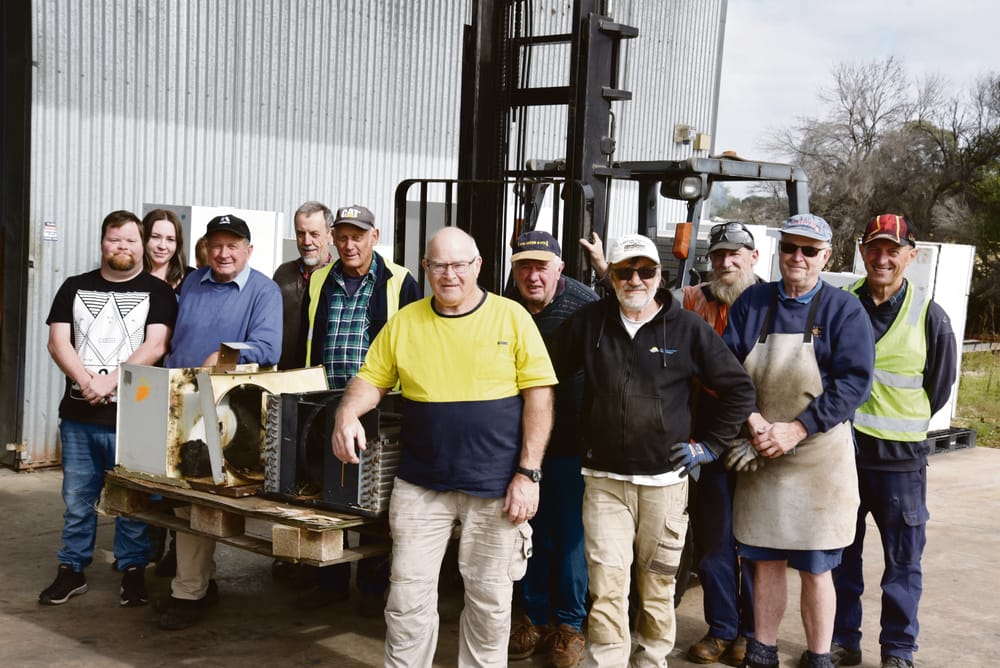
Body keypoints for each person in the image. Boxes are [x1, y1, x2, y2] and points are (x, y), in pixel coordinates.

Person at [331, 227, 557, 667]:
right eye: (439, 265)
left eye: (459, 265)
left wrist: (528, 475)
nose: (449, 275)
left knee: (490, 605)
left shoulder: (512, 318)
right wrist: (346, 413)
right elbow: (371, 379)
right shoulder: (406, 321)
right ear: (425, 268)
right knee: (407, 599)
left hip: (494, 487)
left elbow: (540, 397)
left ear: (478, 267)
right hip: (421, 486)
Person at [551, 233, 757, 668]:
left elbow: (739, 389)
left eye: (646, 271)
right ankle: (608, 660)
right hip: (604, 482)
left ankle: (651, 660)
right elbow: (544, 373)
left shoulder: (686, 328)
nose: (636, 280)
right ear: (612, 277)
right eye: (626, 271)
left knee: (657, 585)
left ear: (658, 275)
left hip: (664, 484)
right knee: (607, 585)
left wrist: (710, 446)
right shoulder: (591, 323)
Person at [722, 213, 875, 668]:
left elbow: (853, 384)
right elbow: (728, 370)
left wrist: (798, 428)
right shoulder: (753, 302)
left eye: (810, 251)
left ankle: (819, 655)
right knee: (763, 559)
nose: (798, 258)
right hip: (762, 451)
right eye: (790, 247)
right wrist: (752, 420)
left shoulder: (843, 311)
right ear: (779, 251)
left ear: (826, 257)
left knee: (816, 564)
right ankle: (762, 649)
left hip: (817, 459)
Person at [830, 215, 957, 668]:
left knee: (902, 563)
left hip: (900, 464)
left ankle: (898, 649)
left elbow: (937, 389)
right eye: (874, 248)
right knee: (841, 558)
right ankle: (844, 640)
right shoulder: (838, 303)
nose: (882, 258)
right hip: (842, 456)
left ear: (910, 255)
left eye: (892, 250)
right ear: (862, 251)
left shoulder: (929, 316)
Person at [39, 209, 177, 607]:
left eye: (131, 240)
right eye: (115, 239)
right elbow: (58, 342)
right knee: (77, 500)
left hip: (134, 418)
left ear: (142, 245)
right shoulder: (73, 287)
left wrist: (109, 381)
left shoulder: (158, 291)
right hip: (79, 416)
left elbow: (156, 346)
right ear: (103, 242)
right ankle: (71, 570)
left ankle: (132, 571)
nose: (123, 246)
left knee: (131, 504)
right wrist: (87, 383)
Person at [155, 213, 283, 630]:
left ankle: (189, 592)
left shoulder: (264, 291)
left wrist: (222, 355)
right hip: (179, 399)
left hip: (228, 409)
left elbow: (268, 345)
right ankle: (196, 582)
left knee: (200, 496)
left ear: (248, 250)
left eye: (233, 245)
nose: (224, 253)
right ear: (206, 248)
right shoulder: (193, 282)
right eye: (216, 245)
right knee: (180, 495)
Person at [296, 203, 420, 616]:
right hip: (327, 400)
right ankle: (329, 583)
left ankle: (371, 588)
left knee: (372, 501)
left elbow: (414, 345)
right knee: (327, 494)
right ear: (334, 238)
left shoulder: (400, 282)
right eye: (343, 236)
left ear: (375, 237)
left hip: (381, 405)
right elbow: (306, 337)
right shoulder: (318, 281)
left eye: (358, 236)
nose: (349, 245)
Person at [503, 231, 598, 667]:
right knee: (527, 533)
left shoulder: (584, 304)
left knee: (570, 536)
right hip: (520, 443)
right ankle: (535, 619)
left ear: (560, 267)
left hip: (572, 440)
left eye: (541, 266)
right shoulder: (506, 304)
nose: (532, 275)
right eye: (523, 266)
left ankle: (569, 625)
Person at [683, 222, 762, 666]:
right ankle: (721, 629)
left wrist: (762, 431)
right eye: (718, 255)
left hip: (759, 434)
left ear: (753, 255)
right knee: (713, 540)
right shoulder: (694, 299)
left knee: (754, 541)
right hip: (709, 432)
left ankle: (751, 633)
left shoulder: (772, 301)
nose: (726, 263)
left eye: (735, 254)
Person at [272, 201, 335, 370]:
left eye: (314, 234)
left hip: (322, 380)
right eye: (301, 234)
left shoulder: (339, 279)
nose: (306, 241)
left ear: (330, 235)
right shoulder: (282, 275)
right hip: (283, 376)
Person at [143, 208, 195, 293]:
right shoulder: (128, 276)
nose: (162, 246)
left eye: (170, 239)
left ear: (178, 243)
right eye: (155, 237)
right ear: (143, 238)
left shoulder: (192, 278)